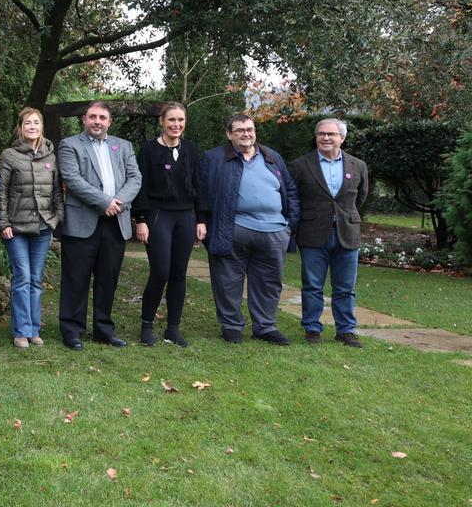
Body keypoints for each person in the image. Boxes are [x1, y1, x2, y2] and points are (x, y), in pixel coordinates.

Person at [201, 114, 300, 345]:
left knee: (269, 282)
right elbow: (203, 194)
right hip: (233, 229)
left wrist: (289, 225)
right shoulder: (214, 158)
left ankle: (265, 327)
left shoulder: (271, 156)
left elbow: (290, 190)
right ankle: (231, 326)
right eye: (239, 130)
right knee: (227, 280)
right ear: (229, 134)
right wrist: (204, 222)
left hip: (274, 231)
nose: (246, 134)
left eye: (250, 129)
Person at [57, 101, 142, 350]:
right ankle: (72, 331)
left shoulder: (123, 146)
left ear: (109, 122)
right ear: (84, 119)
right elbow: (72, 179)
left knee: (108, 279)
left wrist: (118, 203)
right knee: (76, 279)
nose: (97, 121)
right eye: (92, 117)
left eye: (102, 117)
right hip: (82, 221)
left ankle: (104, 330)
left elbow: (135, 178)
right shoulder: (70, 145)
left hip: (116, 222)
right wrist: (104, 201)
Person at [132, 102, 208, 348]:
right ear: (162, 121)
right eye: (171, 120)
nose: (176, 125)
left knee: (178, 273)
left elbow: (199, 184)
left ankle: (172, 328)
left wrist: (201, 218)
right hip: (158, 216)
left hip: (185, 217)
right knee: (161, 271)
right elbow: (140, 187)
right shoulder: (148, 150)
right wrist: (141, 219)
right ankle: (146, 326)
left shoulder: (190, 149)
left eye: (180, 120)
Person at [288, 118, 369, 347]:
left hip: (347, 233)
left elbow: (360, 197)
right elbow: (292, 198)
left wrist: (344, 216)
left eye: (331, 134)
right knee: (312, 286)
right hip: (312, 233)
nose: (325, 138)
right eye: (321, 134)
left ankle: (346, 330)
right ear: (315, 137)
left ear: (342, 138)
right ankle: (312, 329)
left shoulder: (357, 166)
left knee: (345, 287)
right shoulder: (299, 165)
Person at [0, 107, 61, 349]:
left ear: (41, 127)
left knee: (35, 278)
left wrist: (55, 219)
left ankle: (34, 329)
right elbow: (0, 193)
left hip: (43, 227)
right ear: (20, 128)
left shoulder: (50, 156)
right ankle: (20, 331)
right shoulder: (9, 155)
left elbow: (56, 192)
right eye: (27, 123)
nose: (32, 127)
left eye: (36, 123)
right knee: (21, 277)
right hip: (16, 228)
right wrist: (3, 223)